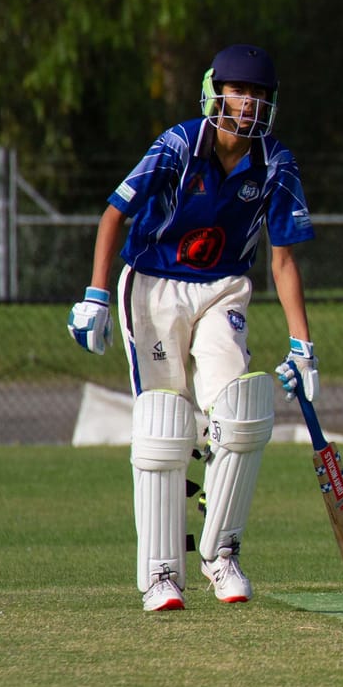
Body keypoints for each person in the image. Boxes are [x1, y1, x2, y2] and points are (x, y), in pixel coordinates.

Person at [66, 43, 319, 612]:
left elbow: (283, 260)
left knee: (241, 410)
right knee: (165, 421)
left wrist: (304, 346)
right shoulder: (180, 144)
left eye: (258, 95)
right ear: (215, 91)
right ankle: (161, 574)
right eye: (239, 91)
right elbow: (114, 214)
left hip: (223, 286)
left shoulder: (275, 161)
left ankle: (221, 553)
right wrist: (96, 295)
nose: (248, 104)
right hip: (153, 285)